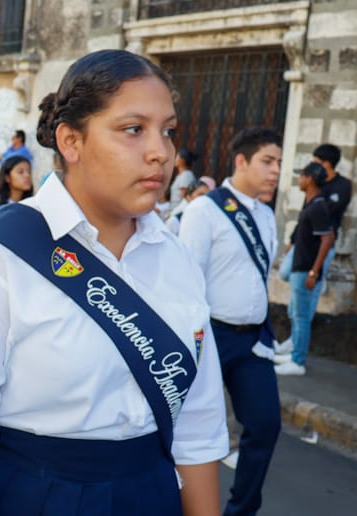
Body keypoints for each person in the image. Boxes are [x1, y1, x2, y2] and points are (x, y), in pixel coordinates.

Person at [0, 49, 227, 516]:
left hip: (150, 494)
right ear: (70, 142)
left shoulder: (176, 259)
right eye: (133, 129)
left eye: (168, 131)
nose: (162, 151)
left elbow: (197, 431)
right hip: (31, 496)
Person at [179, 127, 283, 516]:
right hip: (211, 335)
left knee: (266, 425)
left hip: (253, 339)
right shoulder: (205, 210)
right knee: (186, 431)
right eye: (267, 162)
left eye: (278, 163)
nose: (275, 171)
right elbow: (187, 280)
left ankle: (241, 510)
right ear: (241, 161)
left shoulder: (266, 214)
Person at [275, 143, 352, 354]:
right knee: (287, 276)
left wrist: (314, 271)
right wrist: (292, 240)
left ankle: (297, 348)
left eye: (315, 162)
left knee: (306, 297)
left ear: (325, 163)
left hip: (320, 247)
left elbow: (329, 217)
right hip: (303, 243)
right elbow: (303, 216)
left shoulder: (341, 186)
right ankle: (294, 341)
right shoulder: (312, 193)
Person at [273, 163, 334, 376]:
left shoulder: (318, 206)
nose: (300, 180)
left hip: (306, 269)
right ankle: (293, 355)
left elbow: (327, 240)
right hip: (300, 267)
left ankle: (298, 361)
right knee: (296, 313)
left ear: (310, 180)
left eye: (303, 176)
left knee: (301, 317)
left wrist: (314, 272)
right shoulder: (311, 204)